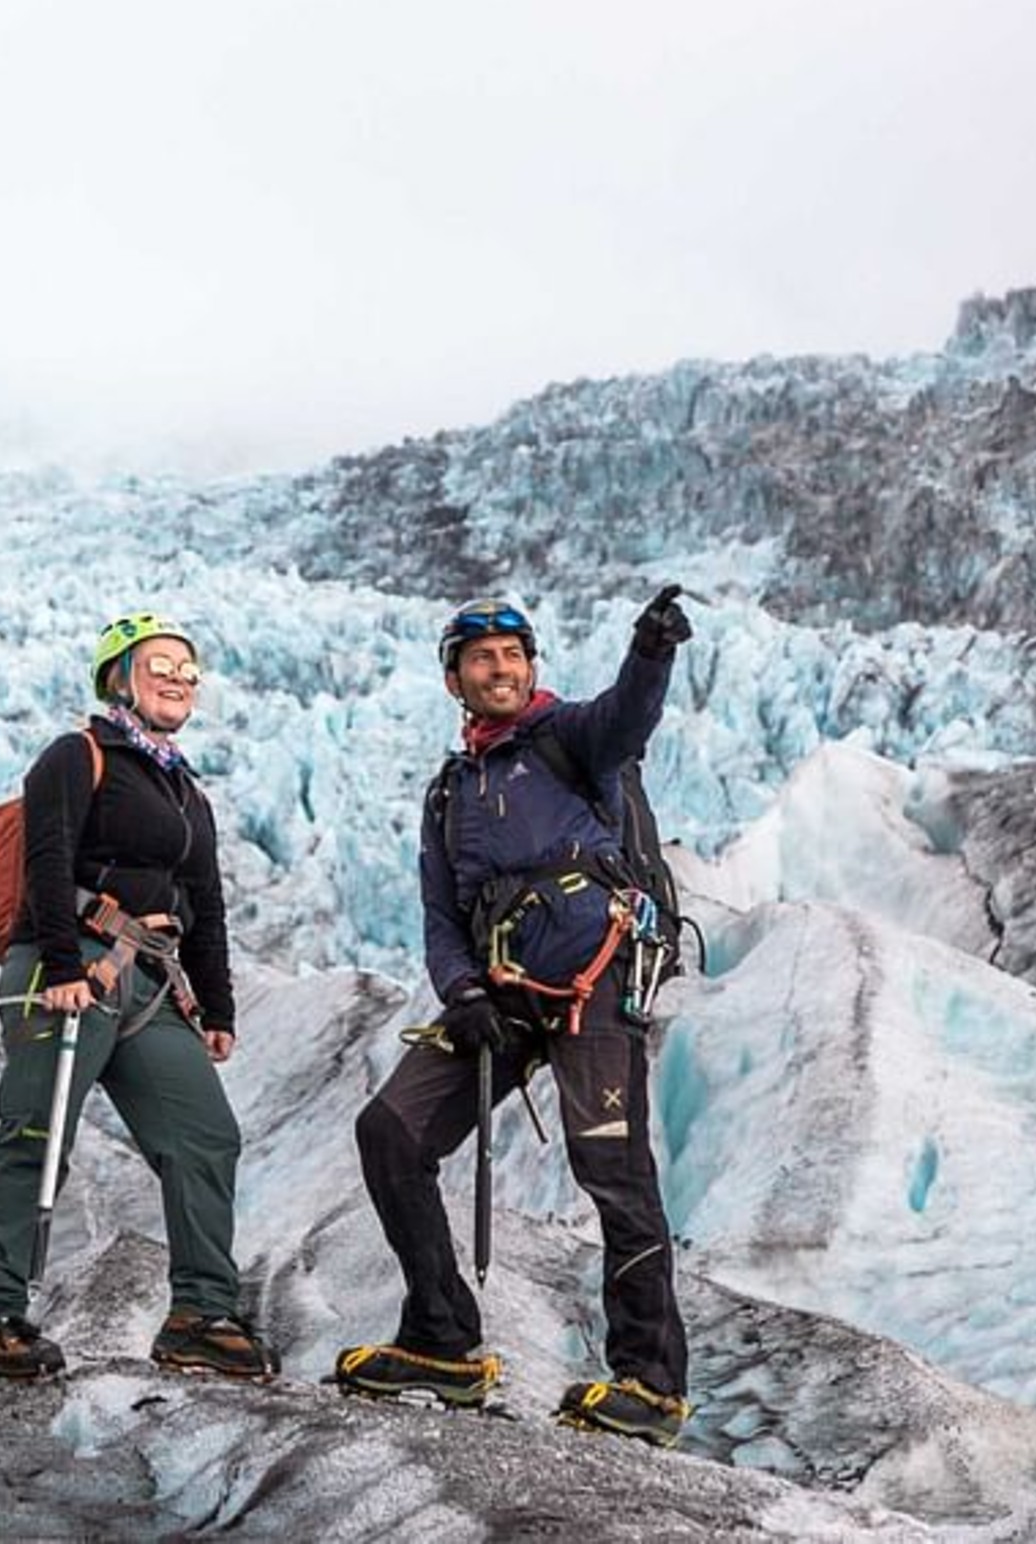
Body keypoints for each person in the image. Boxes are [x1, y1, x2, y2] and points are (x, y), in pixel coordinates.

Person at [334, 588, 698, 1445]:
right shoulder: (450, 793)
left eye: (512, 655)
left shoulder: (572, 740)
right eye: (481, 658)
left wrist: (651, 652)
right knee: (391, 1132)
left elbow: (628, 716)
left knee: (612, 1169)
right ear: (454, 679)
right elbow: (440, 916)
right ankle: (440, 1340)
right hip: (498, 994)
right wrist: (461, 993)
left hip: (592, 980)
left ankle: (650, 1383)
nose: (499, 669)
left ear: (531, 667)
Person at [0, 612, 274, 1381]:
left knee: (205, 1136)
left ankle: (200, 1315)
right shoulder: (78, 754)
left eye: (188, 671)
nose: (178, 679)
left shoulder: (184, 790)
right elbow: (48, 856)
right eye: (159, 664)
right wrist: (63, 965)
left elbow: (205, 904)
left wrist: (218, 1009)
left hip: (148, 983)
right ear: (119, 677)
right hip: (67, 968)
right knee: (37, 1135)